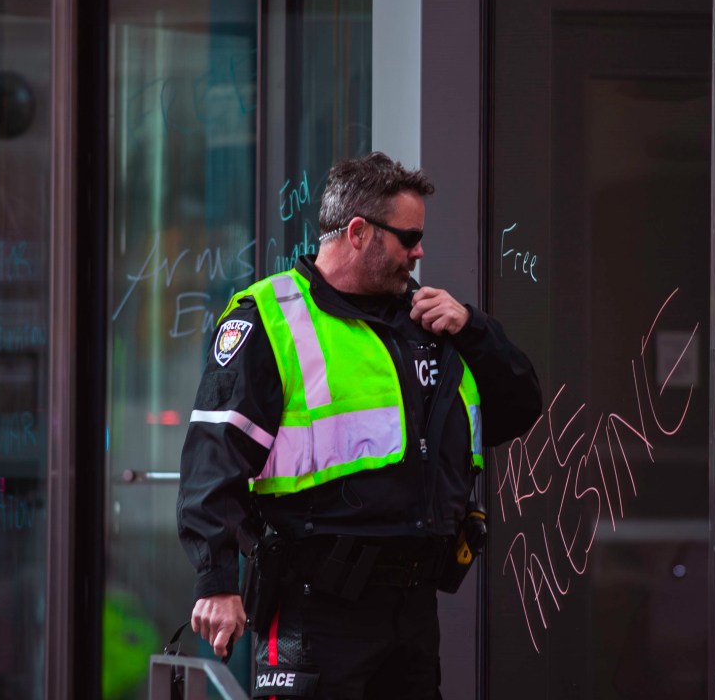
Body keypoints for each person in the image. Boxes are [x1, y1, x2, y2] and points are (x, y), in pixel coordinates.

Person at [177, 152, 541, 699]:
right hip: (316, 608)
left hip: (411, 611)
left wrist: (473, 329)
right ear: (357, 233)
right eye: (408, 238)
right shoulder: (272, 316)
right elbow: (214, 456)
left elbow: (520, 406)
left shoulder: (429, 323)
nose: (419, 252)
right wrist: (216, 581)